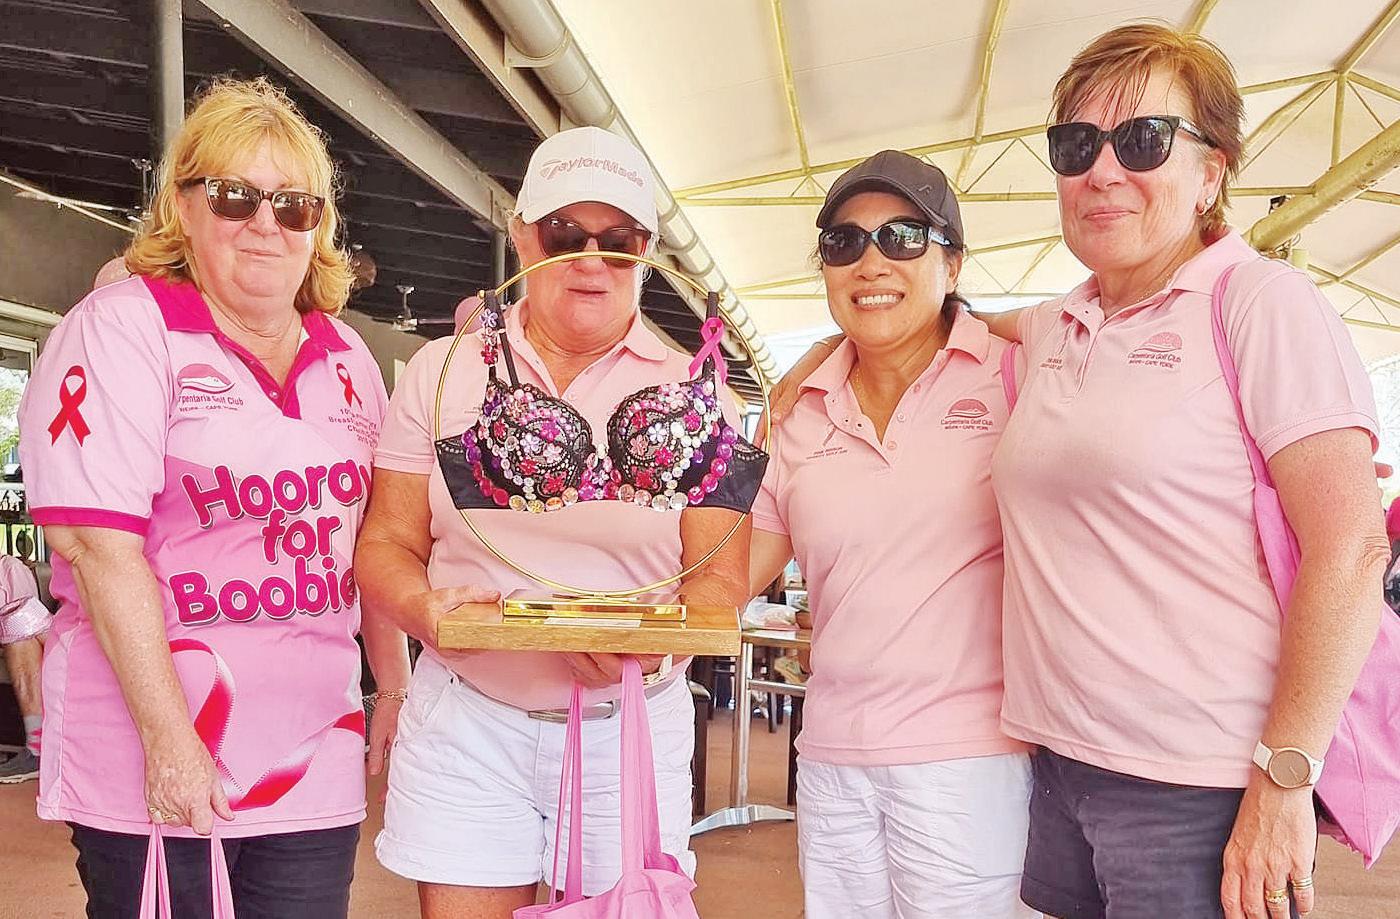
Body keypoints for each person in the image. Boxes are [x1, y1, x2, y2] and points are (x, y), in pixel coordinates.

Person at [772, 24, 1386, 919]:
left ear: (1212, 172)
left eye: (1143, 140)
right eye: (1076, 144)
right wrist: (834, 345)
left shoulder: (1260, 303)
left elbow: (1353, 549)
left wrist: (1285, 777)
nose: (1103, 170)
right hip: (1063, 773)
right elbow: (937, 317)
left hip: (1201, 783)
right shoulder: (1062, 325)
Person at [18, 77, 399, 918]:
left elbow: (373, 539)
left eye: (293, 205)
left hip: (313, 750)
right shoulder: (121, 329)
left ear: (319, 227)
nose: (266, 223)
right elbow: (98, 548)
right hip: (154, 750)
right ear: (183, 207)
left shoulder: (348, 358)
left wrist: (395, 684)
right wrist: (169, 739)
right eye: (234, 196)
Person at [355, 125, 754, 918]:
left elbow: (721, 580)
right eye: (566, 233)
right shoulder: (439, 372)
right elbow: (386, 542)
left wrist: (644, 641)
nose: (591, 260)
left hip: (626, 725)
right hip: (468, 717)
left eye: (620, 240)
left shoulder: (701, 393)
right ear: (522, 235)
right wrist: (423, 610)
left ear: (647, 252)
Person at [748, 151, 1034, 918]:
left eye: (902, 237)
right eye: (844, 242)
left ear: (953, 262)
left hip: (971, 761)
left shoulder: (1018, 375)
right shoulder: (797, 411)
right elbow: (731, 570)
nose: (870, 261)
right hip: (833, 758)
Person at [0, 553, 49, 783]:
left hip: (17, 636)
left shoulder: (8, 569)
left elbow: (26, 617)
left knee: (19, 632)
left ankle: (37, 746)